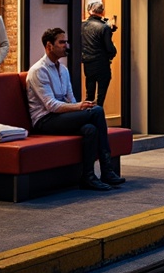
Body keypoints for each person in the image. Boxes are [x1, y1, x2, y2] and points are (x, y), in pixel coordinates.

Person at [27, 28, 125, 190]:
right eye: (62, 42)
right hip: (45, 120)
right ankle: (107, 170)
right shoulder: (38, 71)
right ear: (49, 46)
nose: (67, 45)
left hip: (61, 117)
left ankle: (88, 176)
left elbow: (70, 99)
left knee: (90, 129)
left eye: (66, 42)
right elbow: (51, 105)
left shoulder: (63, 70)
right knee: (97, 111)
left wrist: (80, 107)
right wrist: (79, 107)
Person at [80, 1, 118, 106]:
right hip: (101, 63)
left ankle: (88, 116)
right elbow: (110, 48)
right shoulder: (104, 27)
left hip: (88, 63)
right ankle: (98, 117)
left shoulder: (81, 25)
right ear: (102, 11)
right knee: (100, 97)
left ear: (89, 11)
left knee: (89, 94)